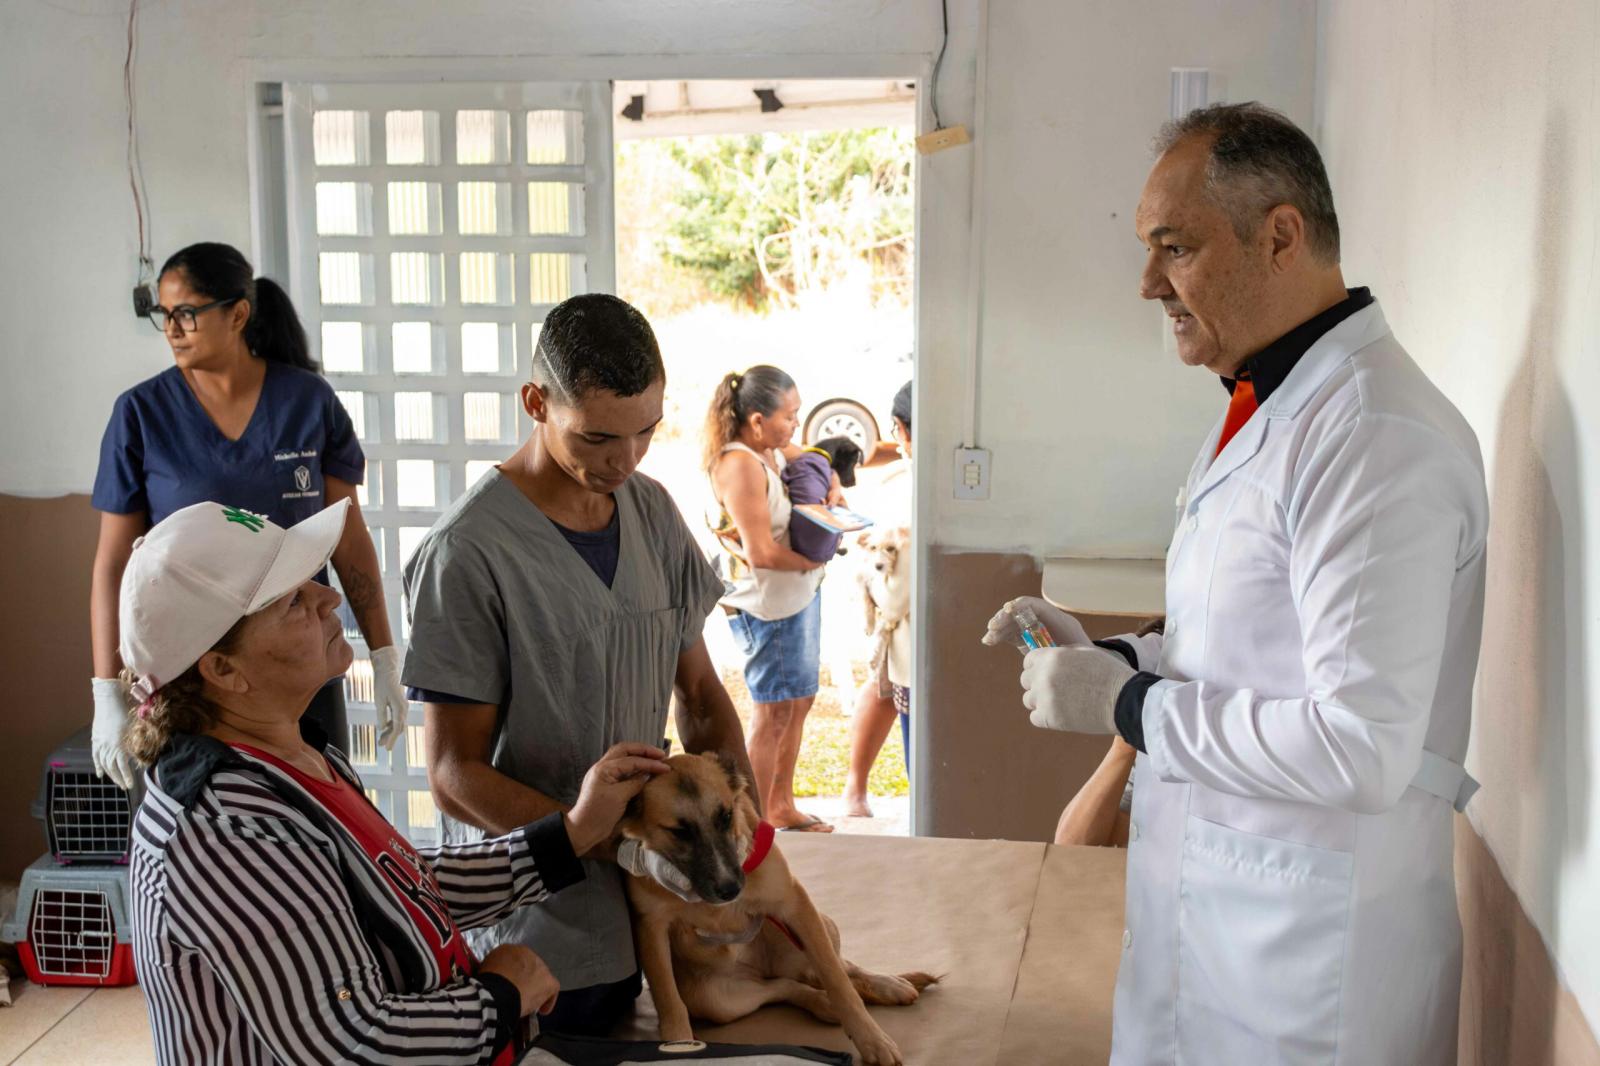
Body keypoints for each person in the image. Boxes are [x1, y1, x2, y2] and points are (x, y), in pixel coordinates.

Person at [989, 102, 1489, 1066]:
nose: (1147, 284)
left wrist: (1131, 706)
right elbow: (1251, 632)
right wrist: (1120, 655)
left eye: (1172, 248)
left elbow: (1359, 747)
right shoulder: (1277, 402)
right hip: (1227, 922)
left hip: (1312, 965)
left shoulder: (1375, 436)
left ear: (1280, 236)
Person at [118, 499, 671, 1065]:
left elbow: (393, 888)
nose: (329, 597)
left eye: (312, 583)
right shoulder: (226, 831)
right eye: (292, 602)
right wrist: (503, 995)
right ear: (223, 670)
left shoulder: (293, 759)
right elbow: (352, 1044)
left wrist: (570, 836)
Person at [402, 293, 752, 1034]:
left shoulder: (651, 511)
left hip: (656, 900)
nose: (622, 461)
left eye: (645, 434)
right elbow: (454, 774)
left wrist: (737, 816)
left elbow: (701, 694)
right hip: (539, 917)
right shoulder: (469, 553)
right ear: (536, 402)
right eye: (595, 438)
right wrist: (610, 839)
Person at [89, 242, 406, 790]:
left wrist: (383, 655)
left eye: (186, 312)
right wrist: (105, 692)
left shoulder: (307, 402)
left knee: (317, 809)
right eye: (163, 314)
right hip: (196, 673)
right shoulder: (140, 414)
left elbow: (349, 541)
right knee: (202, 823)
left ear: (237, 313)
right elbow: (115, 563)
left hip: (299, 656)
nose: (172, 327)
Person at [706, 365, 836, 833]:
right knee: (773, 710)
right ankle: (757, 822)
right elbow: (760, 553)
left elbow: (814, 460)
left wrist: (833, 484)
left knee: (797, 702)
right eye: (789, 416)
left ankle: (780, 805)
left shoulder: (771, 450)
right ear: (756, 420)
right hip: (768, 605)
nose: (795, 426)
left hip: (795, 598)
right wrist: (818, 555)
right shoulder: (739, 463)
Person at [844, 380, 913, 819]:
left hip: (912, 654)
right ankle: (856, 791)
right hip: (918, 657)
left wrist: (869, 570)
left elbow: (896, 597)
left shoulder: (909, 490)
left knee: (921, 762)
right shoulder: (915, 483)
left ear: (899, 429)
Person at [780, 435, 865, 563]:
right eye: (790, 417)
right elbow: (815, 542)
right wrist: (836, 536)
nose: (796, 422)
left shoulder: (808, 461)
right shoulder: (812, 469)